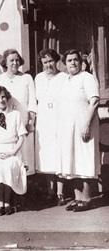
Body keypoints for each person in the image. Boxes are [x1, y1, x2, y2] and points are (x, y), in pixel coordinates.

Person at [58, 49, 100, 212]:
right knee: (73, 162)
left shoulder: (87, 78)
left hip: (84, 127)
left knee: (85, 161)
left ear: (81, 62)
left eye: (76, 60)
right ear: (65, 64)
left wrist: (86, 124)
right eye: (69, 60)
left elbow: (94, 101)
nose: (73, 63)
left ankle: (87, 198)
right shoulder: (66, 80)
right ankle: (77, 198)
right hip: (69, 129)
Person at [0, 49, 37, 175]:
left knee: (25, 156)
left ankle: (24, 187)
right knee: (8, 156)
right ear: (5, 62)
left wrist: (30, 121)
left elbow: (32, 102)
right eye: (11, 60)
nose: (15, 63)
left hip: (23, 121)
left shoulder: (27, 78)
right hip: (5, 122)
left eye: (17, 60)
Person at [0, 86, 27, 216]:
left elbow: (21, 137)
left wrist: (13, 152)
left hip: (12, 149)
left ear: (7, 98)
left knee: (8, 166)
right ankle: (0, 201)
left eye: (3, 97)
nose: (1, 100)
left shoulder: (15, 114)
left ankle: (7, 201)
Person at [34, 48, 67, 206]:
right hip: (44, 120)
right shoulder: (38, 78)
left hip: (58, 119)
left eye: (51, 61)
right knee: (46, 156)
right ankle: (50, 191)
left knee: (58, 154)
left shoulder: (63, 77)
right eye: (45, 62)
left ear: (56, 61)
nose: (48, 65)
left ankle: (60, 193)